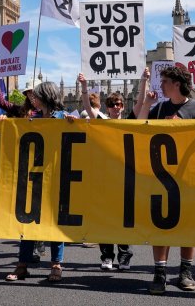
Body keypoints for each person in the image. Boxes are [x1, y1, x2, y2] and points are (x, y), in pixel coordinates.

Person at [138, 66, 195, 295]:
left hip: (189, 177)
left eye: (165, 81)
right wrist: (147, 105)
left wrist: (183, 126)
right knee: (161, 225)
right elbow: (138, 128)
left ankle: (185, 272)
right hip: (161, 178)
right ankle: (160, 273)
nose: (162, 85)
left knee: (188, 226)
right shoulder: (159, 108)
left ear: (177, 84)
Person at [5, 81, 71, 283]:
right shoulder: (31, 118)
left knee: (54, 223)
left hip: (56, 177)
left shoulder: (63, 118)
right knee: (27, 222)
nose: (33, 98)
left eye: (37, 95)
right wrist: (3, 122)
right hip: (34, 176)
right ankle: (22, 265)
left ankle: (56, 265)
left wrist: (74, 123)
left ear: (47, 96)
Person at [78, 73, 133, 270]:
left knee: (124, 218)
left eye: (119, 104)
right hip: (104, 178)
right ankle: (107, 256)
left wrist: (143, 82)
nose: (116, 107)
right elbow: (87, 107)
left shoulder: (131, 125)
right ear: (107, 107)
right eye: (112, 104)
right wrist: (84, 87)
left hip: (124, 178)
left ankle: (124, 255)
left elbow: (143, 105)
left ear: (123, 107)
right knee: (105, 217)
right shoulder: (101, 122)